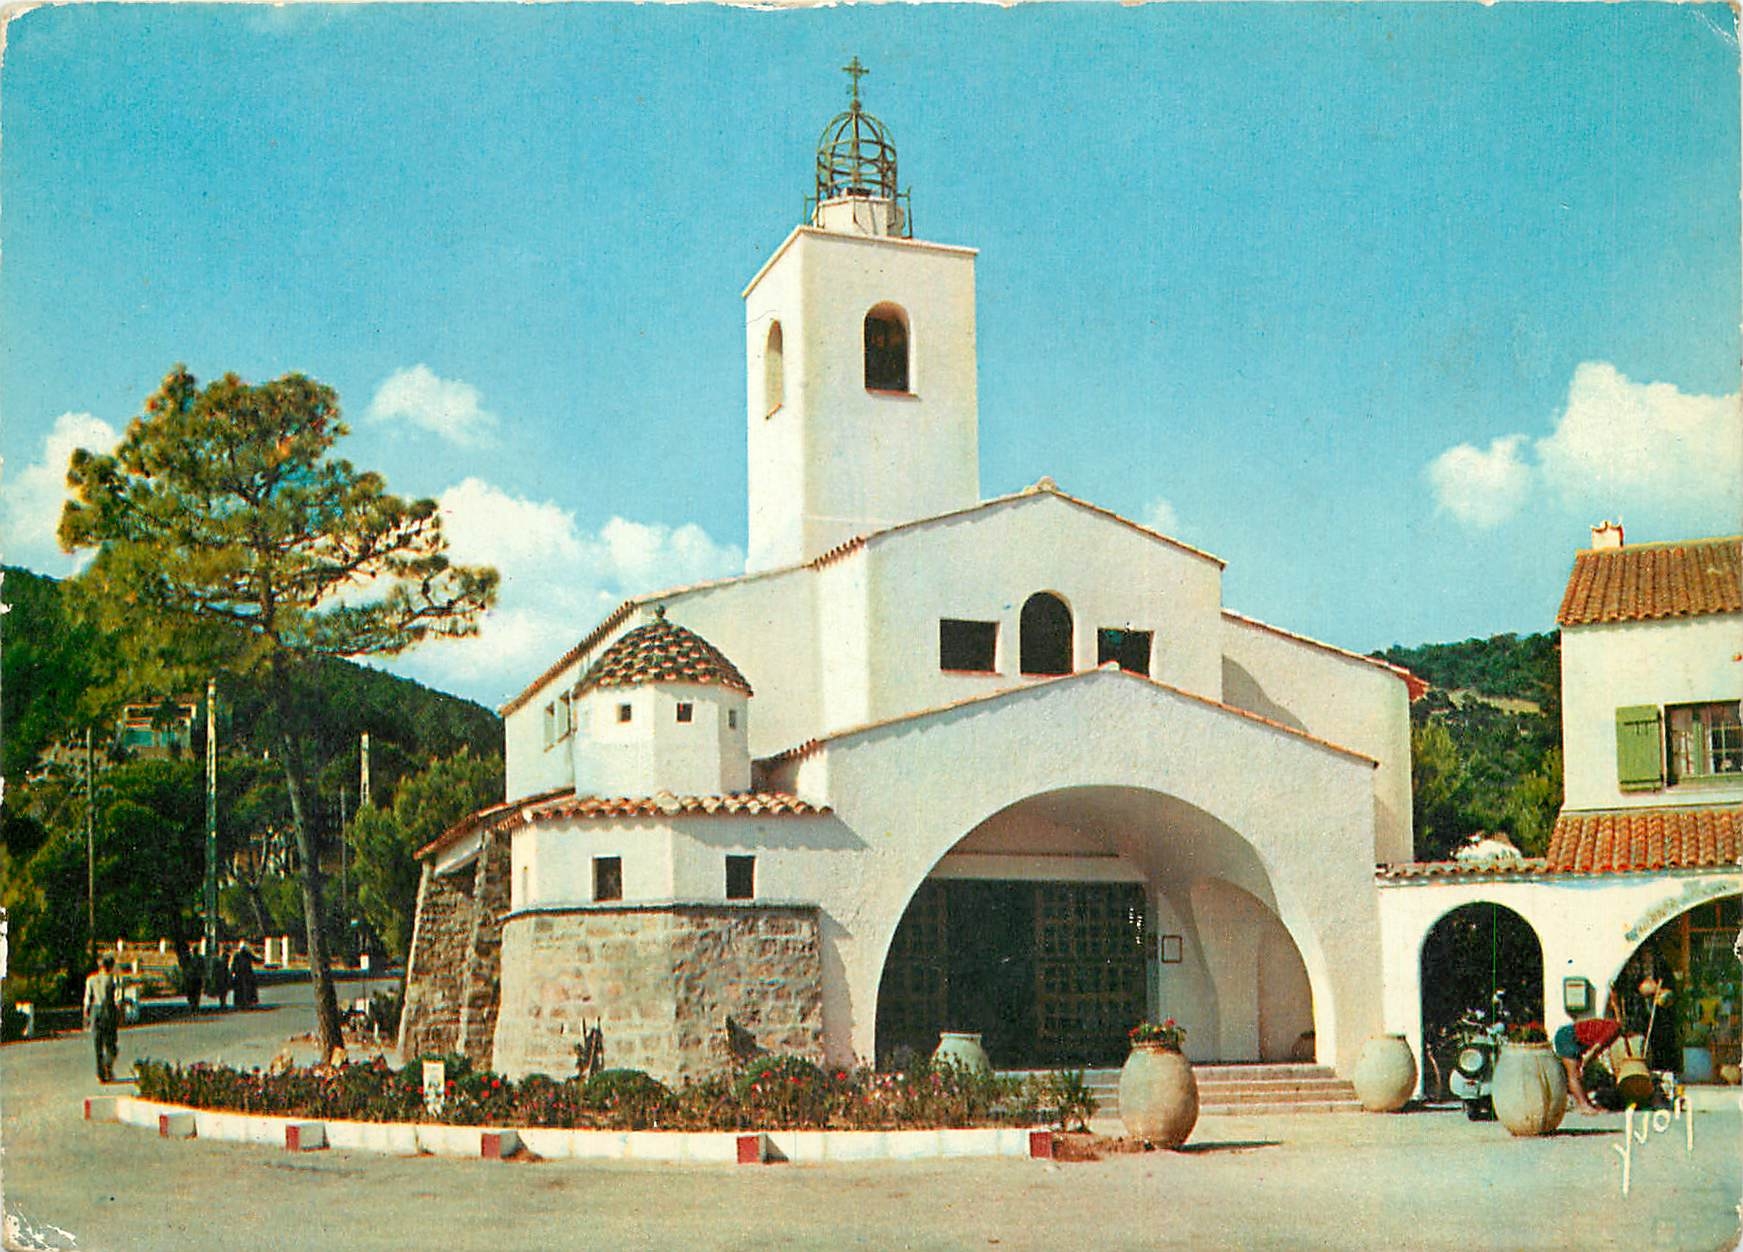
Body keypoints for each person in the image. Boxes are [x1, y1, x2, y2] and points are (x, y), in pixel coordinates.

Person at [1553, 989, 1623, 1114]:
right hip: (1568, 1036)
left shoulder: (1613, 1026)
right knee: (1574, 1074)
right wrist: (1585, 1063)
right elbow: (1596, 1048)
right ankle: (1583, 1105)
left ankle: (1587, 1104)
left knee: (1578, 1074)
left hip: (1571, 1036)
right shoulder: (1615, 1029)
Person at [83, 956, 121, 1083]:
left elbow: (87, 999)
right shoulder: (114, 979)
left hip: (95, 1011)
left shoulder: (91, 979)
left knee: (97, 1045)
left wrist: (87, 1015)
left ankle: (100, 1073)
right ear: (111, 966)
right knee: (111, 1044)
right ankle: (107, 1066)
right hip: (108, 1011)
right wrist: (120, 1013)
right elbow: (118, 999)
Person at [230, 942, 258, 1009]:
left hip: (246, 974)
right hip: (240, 975)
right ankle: (241, 1003)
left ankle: (247, 1002)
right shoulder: (238, 955)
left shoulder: (247, 955)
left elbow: (255, 960)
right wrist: (233, 972)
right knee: (240, 990)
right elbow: (233, 965)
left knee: (247, 989)